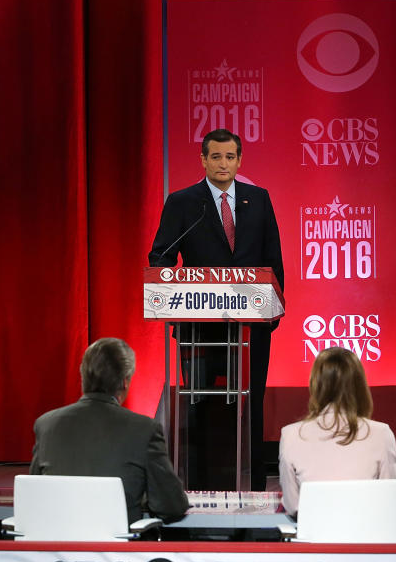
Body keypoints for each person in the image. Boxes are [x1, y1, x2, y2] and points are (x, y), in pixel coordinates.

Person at [148, 128, 284, 491]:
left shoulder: (259, 199)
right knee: (201, 404)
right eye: (216, 157)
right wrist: (168, 281)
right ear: (203, 160)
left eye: (229, 157)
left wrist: (272, 314)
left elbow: (273, 258)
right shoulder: (182, 202)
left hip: (251, 325)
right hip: (200, 326)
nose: (223, 163)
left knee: (251, 404)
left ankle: (254, 484)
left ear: (239, 161)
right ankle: (200, 482)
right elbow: (160, 254)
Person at [30, 337, 189, 523]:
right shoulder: (145, 430)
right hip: (118, 550)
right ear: (124, 382)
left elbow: (35, 497)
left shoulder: (46, 425)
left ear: (83, 377)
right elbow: (171, 506)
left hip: (57, 547)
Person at [278, 347, 396, 516]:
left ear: (315, 384)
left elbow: (293, 506)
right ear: (360, 385)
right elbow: (391, 501)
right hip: (368, 536)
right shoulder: (382, 433)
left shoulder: (290, 435)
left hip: (313, 539)